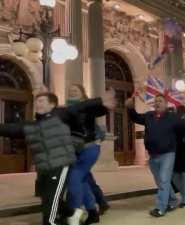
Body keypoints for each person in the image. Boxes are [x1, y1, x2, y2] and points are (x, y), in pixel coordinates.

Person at [0, 92, 115, 225]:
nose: (38, 104)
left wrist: (100, 101)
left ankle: (52, 221)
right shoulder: (33, 125)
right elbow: (12, 129)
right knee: (46, 198)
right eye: (37, 101)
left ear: (52, 104)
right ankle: (72, 212)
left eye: (42, 101)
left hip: (59, 165)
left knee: (50, 208)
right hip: (44, 168)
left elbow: (79, 107)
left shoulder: (60, 115)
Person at [125, 94, 180, 217]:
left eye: (160, 101)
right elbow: (135, 117)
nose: (157, 103)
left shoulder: (172, 117)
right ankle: (173, 200)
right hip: (153, 155)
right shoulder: (149, 116)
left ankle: (160, 208)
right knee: (161, 181)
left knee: (164, 179)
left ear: (166, 104)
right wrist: (130, 108)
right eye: (156, 101)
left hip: (168, 153)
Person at [65, 84, 110, 225]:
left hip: (88, 149)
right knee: (83, 181)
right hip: (74, 151)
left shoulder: (87, 107)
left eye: (75, 90)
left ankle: (74, 212)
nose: (72, 92)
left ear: (83, 94)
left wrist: (105, 103)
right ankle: (93, 212)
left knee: (75, 179)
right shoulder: (67, 109)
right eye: (70, 91)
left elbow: (100, 110)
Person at [172, 105, 185, 208]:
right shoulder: (175, 121)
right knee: (177, 176)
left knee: (183, 177)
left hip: (184, 152)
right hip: (177, 152)